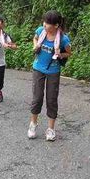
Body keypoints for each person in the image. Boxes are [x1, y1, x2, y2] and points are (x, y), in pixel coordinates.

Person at [29, 10, 72, 142]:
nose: (44, 24)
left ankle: (51, 129)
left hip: (53, 71)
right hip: (38, 68)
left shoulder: (64, 40)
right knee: (37, 98)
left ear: (56, 25)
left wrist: (60, 54)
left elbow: (69, 53)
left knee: (51, 99)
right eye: (45, 22)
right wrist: (36, 45)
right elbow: (35, 38)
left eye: (48, 23)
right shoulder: (41, 31)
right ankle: (33, 124)